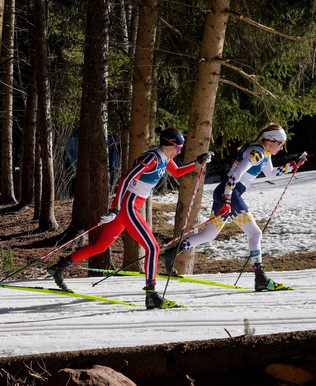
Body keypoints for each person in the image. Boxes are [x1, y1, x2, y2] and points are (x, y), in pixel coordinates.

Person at [46, 127, 211, 309]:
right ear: (169, 145)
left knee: (101, 246)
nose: (179, 151)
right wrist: (115, 208)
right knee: (153, 248)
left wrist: (197, 162)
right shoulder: (151, 158)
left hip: (129, 206)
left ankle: (59, 267)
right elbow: (125, 180)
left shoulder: (166, 158)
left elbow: (178, 172)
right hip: (127, 206)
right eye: (179, 148)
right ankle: (152, 295)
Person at [161, 123, 306, 292]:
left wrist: (294, 165)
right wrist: (228, 198)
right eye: (281, 144)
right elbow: (236, 173)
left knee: (209, 235)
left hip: (225, 193)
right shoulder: (257, 153)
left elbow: (271, 173)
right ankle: (260, 278)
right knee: (255, 233)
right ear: (271, 140)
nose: (281, 148)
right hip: (230, 194)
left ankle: (170, 255)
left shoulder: (264, 153)